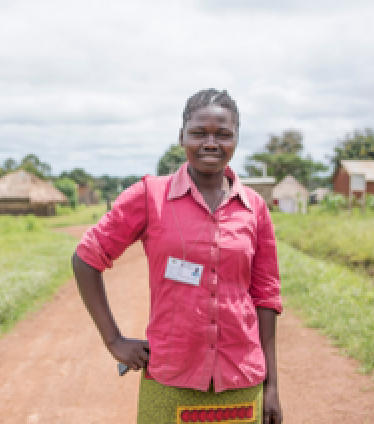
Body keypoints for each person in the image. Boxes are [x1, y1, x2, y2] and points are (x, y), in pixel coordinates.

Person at [72, 88, 283, 423]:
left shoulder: (255, 208)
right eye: (199, 133)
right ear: (182, 136)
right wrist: (112, 339)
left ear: (236, 139)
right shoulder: (148, 197)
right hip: (171, 377)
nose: (211, 143)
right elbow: (86, 257)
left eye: (223, 134)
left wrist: (271, 387)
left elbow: (265, 297)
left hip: (241, 381)